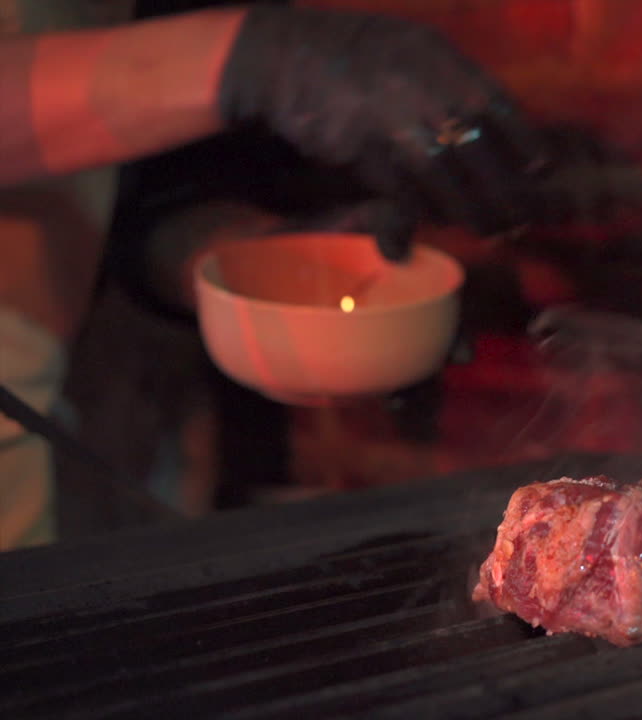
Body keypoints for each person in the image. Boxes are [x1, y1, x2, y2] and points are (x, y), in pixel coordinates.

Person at [0, 1, 549, 550]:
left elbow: (122, 205)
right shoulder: (256, 56)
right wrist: (257, 59)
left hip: (86, 448)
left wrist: (251, 258)